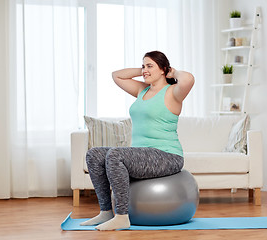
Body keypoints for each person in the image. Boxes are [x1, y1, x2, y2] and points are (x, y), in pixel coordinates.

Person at [80, 51, 194, 230]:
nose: (145, 70)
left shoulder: (173, 92)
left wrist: (173, 72)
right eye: (143, 65)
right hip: (141, 153)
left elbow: (188, 79)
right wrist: (143, 71)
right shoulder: (142, 90)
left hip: (167, 155)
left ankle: (122, 216)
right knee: (94, 154)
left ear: (164, 70)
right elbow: (116, 76)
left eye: (150, 66)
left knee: (115, 155)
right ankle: (105, 212)